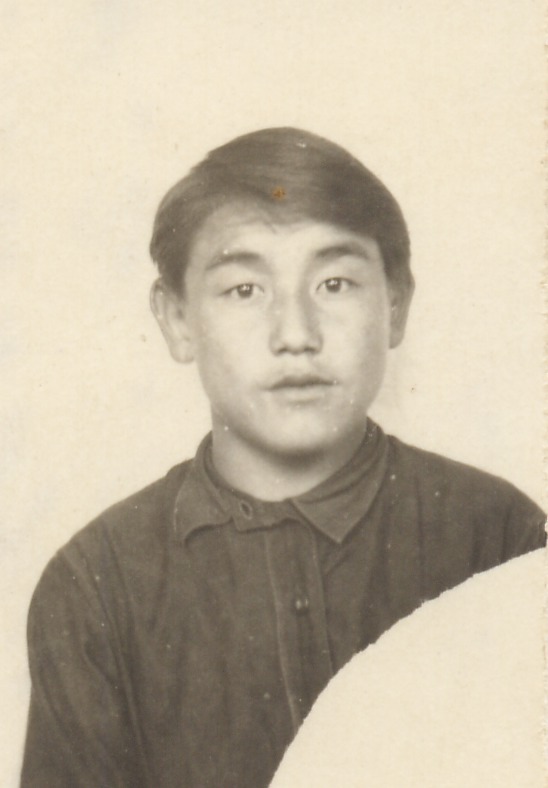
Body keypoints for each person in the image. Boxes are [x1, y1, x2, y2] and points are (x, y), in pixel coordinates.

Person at [21, 128, 546, 788]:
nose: (296, 334)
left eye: (334, 283)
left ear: (395, 305)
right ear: (177, 319)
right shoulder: (95, 586)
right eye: (245, 290)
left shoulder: (498, 535)